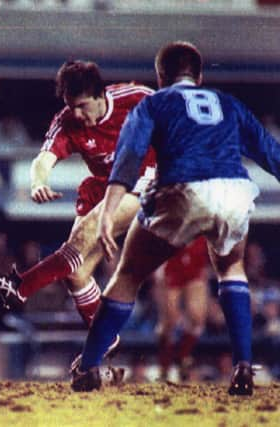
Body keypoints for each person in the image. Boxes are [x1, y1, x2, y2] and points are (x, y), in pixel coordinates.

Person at [72, 41, 280, 396]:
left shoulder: (153, 102)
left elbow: (129, 157)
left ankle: (89, 366)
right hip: (235, 190)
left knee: (128, 274)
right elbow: (270, 151)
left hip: (181, 189)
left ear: (160, 77)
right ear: (198, 77)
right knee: (231, 267)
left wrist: (107, 213)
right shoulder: (228, 103)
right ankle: (243, 365)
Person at [0, 60, 155, 358]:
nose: (76, 113)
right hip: (101, 187)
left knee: (83, 235)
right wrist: (38, 183)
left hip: (144, 182)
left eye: (82, 106)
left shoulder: (137, 98)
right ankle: (104, 343)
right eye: (70, 106)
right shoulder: (67, 120)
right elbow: (43, 159)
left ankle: (20, 286)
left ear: (100, 95)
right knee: (76, 272)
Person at [153, 236, 209, 381]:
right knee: (169, 320)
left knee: (197, 316)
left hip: (194, 255)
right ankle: (164, 367)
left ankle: (183, 355)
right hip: (170, 259)